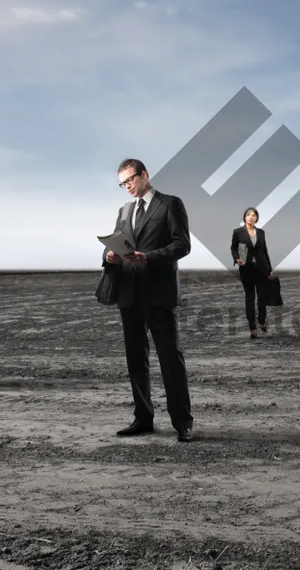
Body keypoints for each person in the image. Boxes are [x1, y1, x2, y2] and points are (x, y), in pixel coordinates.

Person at [104, 159, 195, 442]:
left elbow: (183, 244)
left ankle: (183, 423)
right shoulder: (124, 210)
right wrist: (110, 257)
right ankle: (143, 418)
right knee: (136, 360)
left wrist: (150, 257)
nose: (127, 186)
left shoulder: (170, 204)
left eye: (130, 179)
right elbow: (118, 244)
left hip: (160, 293)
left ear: (144, 175)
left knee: (171, 359)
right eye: (123, 183)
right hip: (129, 295)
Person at [230, 207, 275, 338]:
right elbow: (233, 248)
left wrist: (270, 269)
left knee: (262, 296)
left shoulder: (261, 232)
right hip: (246, 269)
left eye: (254, 215)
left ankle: (261, 320)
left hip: (262, 268)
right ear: (244, 217)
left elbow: (264, 250)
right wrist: (236, 258)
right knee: (250, 297)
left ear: (256, 218)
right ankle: (252, 327)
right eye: (249, 215)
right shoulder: (238, 232)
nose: (251, 217)